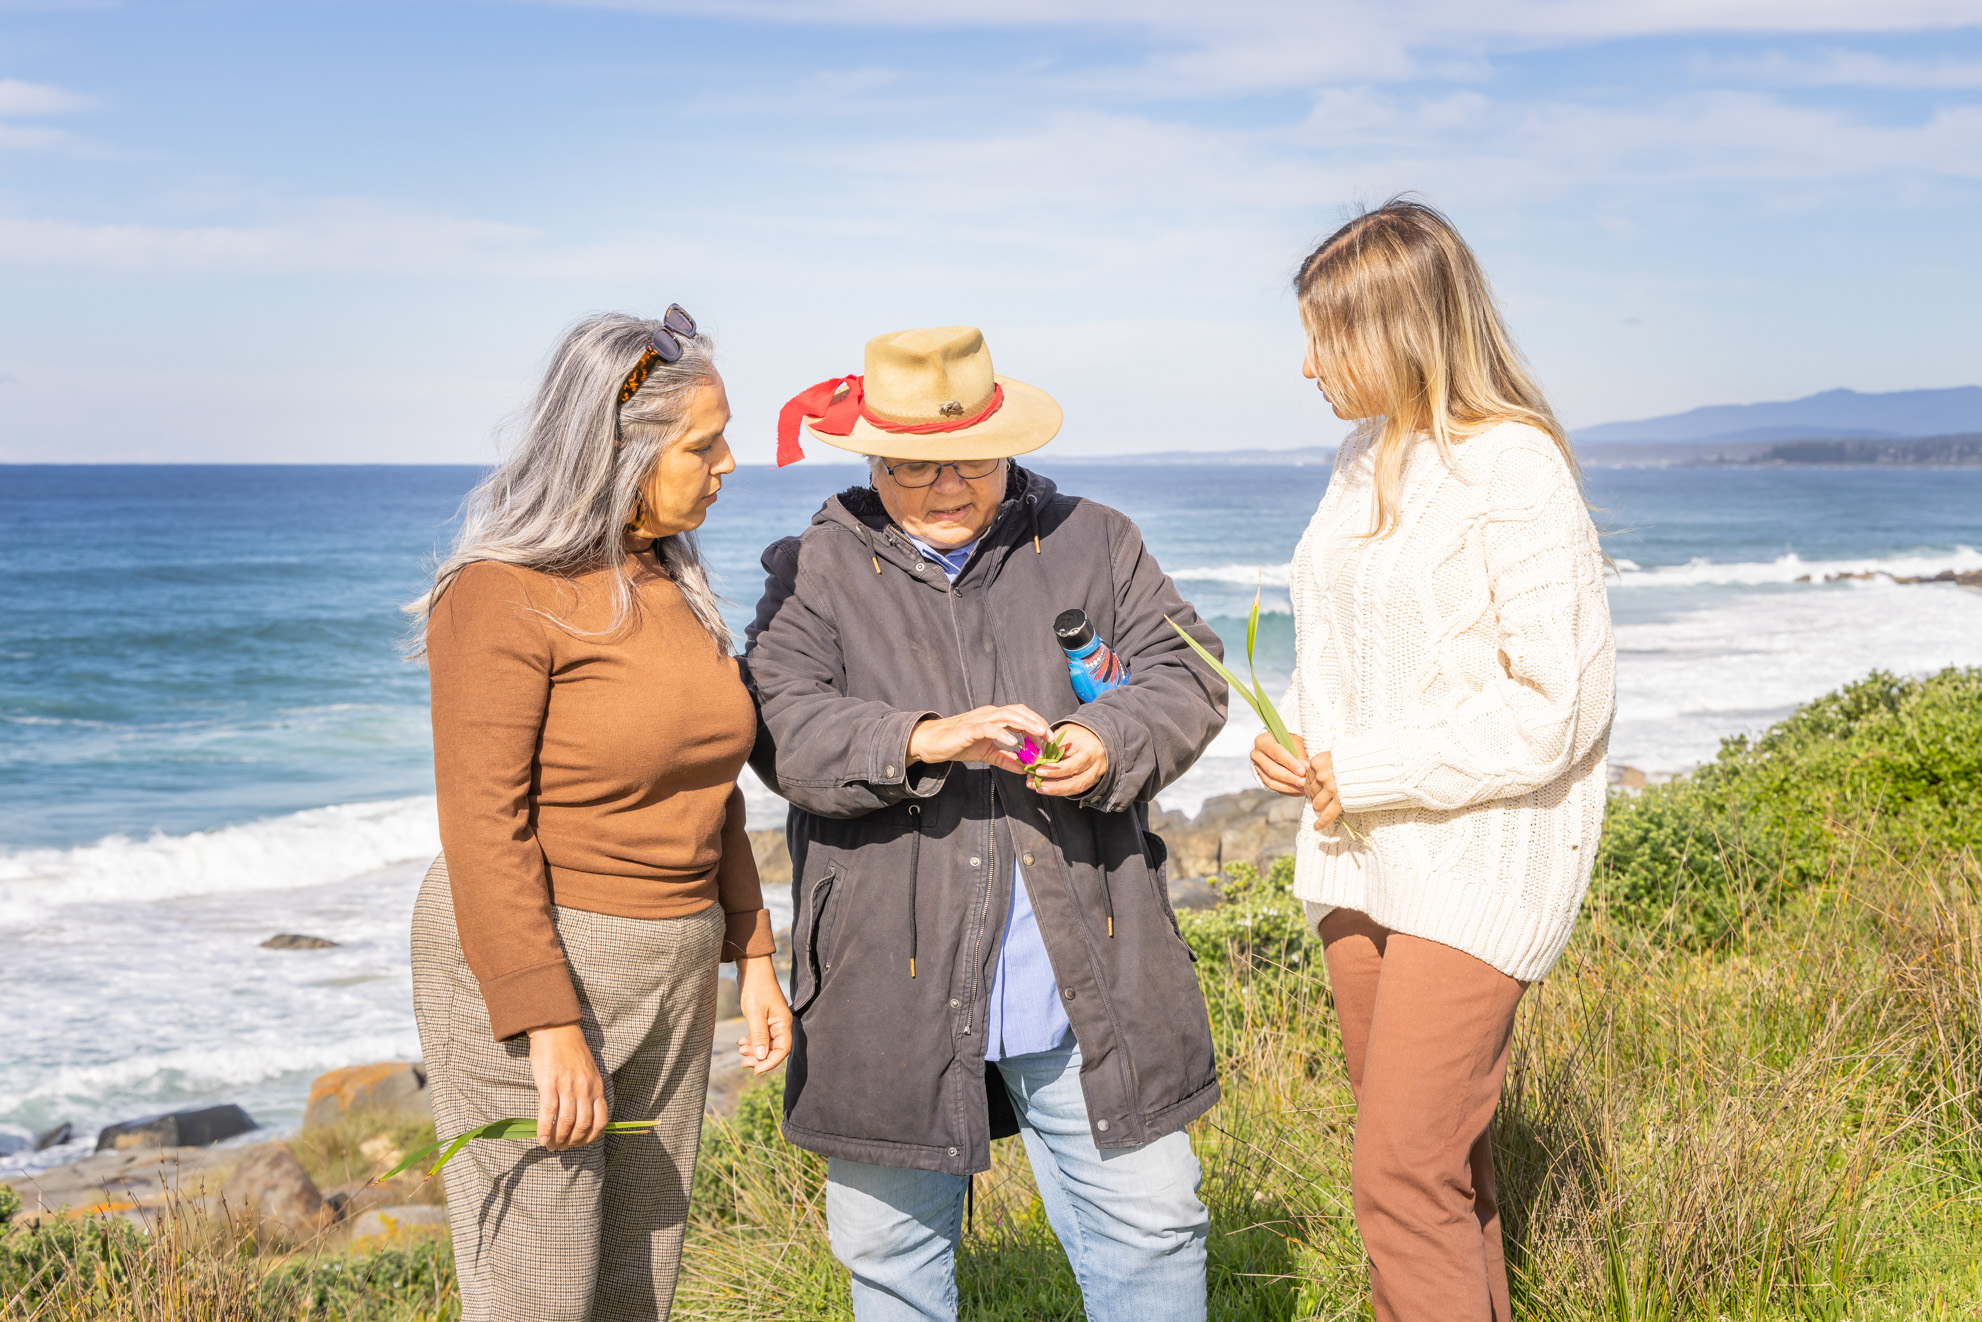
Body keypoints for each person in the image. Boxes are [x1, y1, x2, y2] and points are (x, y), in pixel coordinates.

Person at [743, 326, 1227, 1322]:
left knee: (1156, 1224)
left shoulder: (1096, 538)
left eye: (969, 459)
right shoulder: (813, 568)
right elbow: (781, 730)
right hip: (887, 983)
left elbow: (1188, 671)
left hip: (1086, 972)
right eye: (915, 466)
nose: (946, 486)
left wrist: (1106, 738)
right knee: (889, 1253)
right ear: (873, 461)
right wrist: (925, 737)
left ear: (1006, 444)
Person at [1251, 200, 1616, 1322]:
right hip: (1357, 859)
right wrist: (1298, 735)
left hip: (1475, 862)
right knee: (1438, 1174)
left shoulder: (1514, 465)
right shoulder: (1359, 455)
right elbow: (1347, 643)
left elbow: (1558, 707)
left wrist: (1360, 766)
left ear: (1399, 327)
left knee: (1399, 1179)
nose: (1306, 365)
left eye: (1326, 337)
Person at [405, 309, 793, 1322]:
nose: (728, 464)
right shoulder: (498, 593)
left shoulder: (672, 576)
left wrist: (752, 953)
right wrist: (546, 1021)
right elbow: (481, 826)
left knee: (636, 1287)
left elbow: (707, 784)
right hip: (545, 962)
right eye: (704, 445)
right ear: (619, 451)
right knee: (538, 1291)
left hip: (672, 965)